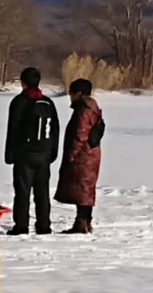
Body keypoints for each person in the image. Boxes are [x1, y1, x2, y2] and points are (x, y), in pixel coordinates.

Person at [4, 67, 60, 236]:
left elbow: (12, 129)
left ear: (23, 83)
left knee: (22, 191)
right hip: (44, 154)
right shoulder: (48, 103)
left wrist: (9, 154)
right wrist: (53, 152)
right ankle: (44, 226)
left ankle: (21, 226)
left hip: (24, 154)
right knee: (42, 191)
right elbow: (56, 130)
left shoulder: (19, 102)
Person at [55, 79, 103, 234]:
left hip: (83, 156)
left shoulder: (83, 111)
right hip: (91, 154)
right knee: (87, 190)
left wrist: (71, 155)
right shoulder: (93, 107)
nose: (70, 97)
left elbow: (80, 135)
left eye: (71, 93)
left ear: (79, 94)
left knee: (82, 191)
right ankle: (85, 221)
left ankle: (81, 223)